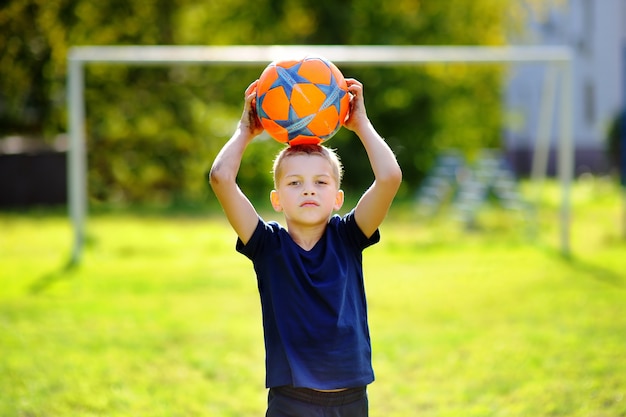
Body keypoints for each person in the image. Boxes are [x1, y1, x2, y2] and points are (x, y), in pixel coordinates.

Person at [209, 77, 402, 417]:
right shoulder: (267, 246)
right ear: (277, 199)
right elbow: (221, 178)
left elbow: (389, 178)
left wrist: (361, 124)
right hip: (292, 403)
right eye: (295, 183)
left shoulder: (349, 237)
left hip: (351, 401)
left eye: (320, 182)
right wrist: (245, 130)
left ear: (338, 198)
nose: (308, 190)